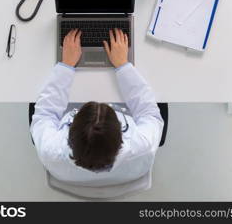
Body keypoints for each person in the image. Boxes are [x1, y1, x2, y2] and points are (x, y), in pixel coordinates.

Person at [30, 28, 163, 186]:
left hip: (67, 177)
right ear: (120, 134)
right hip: (129, 176)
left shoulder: (49, 148)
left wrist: (66, 65)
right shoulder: (143, 145)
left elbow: (44, 114)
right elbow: (149, 114)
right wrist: (122, 65)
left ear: (71, 131)